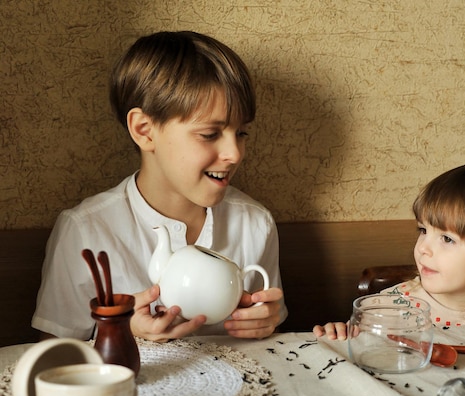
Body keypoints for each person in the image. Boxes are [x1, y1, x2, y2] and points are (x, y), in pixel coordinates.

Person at [32, 31, 287, 342]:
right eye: (209, 134)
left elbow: (271, 340)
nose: (234, 154)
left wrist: (265, 322)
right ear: (144, 130)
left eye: (242, 133)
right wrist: (123, 332)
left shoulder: (254, 224)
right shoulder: (87, 231)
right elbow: (55, 354)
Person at [313, 161, 465, 340]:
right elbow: (355, 354)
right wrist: (339, 334)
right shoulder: (386, 309)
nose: (423, 249)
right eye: (422, 230)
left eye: (447, 239)